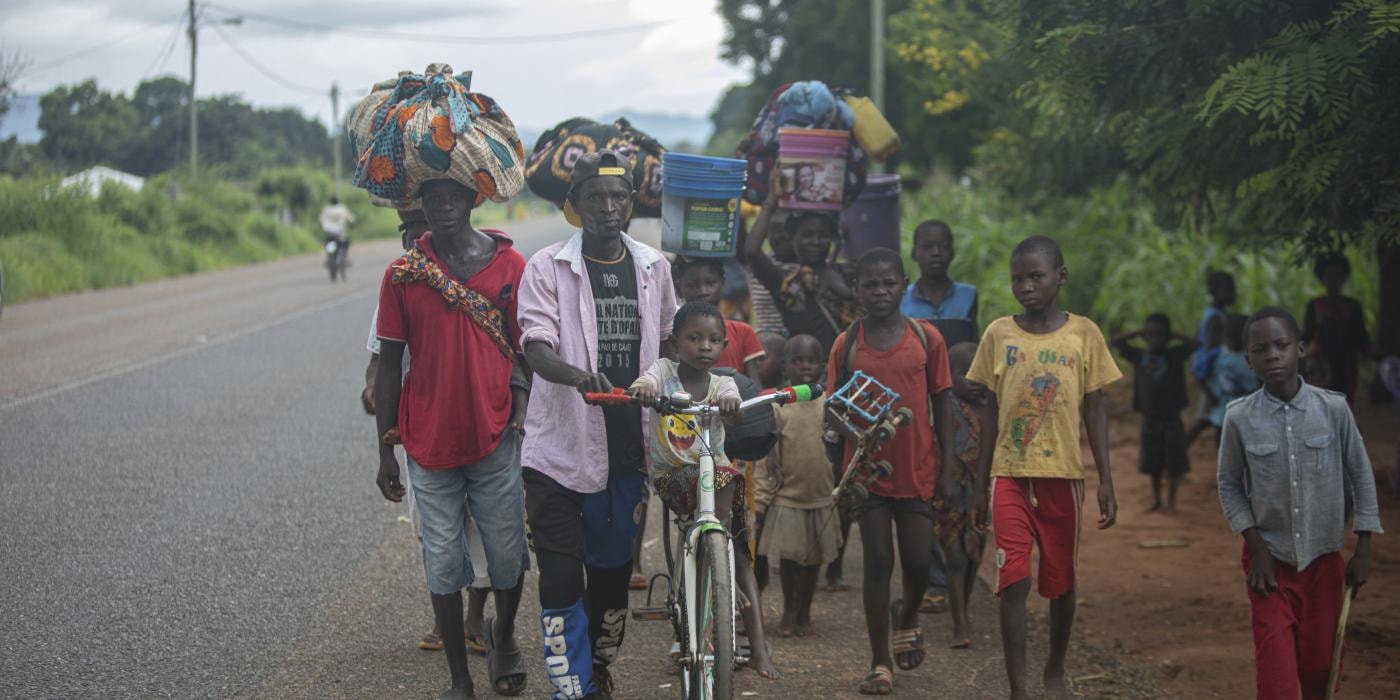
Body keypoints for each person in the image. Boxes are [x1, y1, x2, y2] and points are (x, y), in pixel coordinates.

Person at [516, 150, 677, 699]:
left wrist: (673, 381)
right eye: (594, 199)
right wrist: (578, 377)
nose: (608, 209)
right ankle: (573, 687)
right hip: (557, 451)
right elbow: (535, 348)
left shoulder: (655, 267)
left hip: (626, 453)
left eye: (618, 198)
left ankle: (599, 667)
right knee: (561, 580)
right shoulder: (546, 267)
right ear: (574, 207)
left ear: (631, 203)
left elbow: (669, 340)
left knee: (610, 583)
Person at [373, 178, 531, 699]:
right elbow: (391, 363)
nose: (442, 207)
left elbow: (524, 347)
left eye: (453, 197)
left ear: (473, 201)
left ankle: (503, 637)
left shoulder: (510, 266)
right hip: (427, 442)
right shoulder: (402, 274)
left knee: (507, 557)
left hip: (494, 434)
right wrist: (385, 451)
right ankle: (460, 680)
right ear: (420, 204)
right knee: (443, 561)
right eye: (432, 198)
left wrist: (522, 410)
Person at [967, 235, 1121, 700]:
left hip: (1064, 478)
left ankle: (1055, 668)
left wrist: (1106, 480)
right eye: (1019, 278)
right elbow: (990, 411)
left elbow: (1095, 407)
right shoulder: (999, 333)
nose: (1027, 286)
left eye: (1036, 276)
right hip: (1010, 473)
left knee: (1061, 581)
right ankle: (1018, 687)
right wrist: (979, 484)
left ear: (1060, 277)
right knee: (1013, 579)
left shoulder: (1084, 334)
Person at [1217, 306, 1381, 699]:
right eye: (1261, 349)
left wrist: (1363, 548)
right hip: (1268, 564)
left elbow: (1360, 474)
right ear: (1249, 360)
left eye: (1281, 345)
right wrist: (1256, 548)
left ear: (1301, 349)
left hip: (1324, 561)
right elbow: (1229, 485)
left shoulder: (1334, 409)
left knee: (1319, 668)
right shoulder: (1239, 418)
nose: (1272, 355)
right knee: (1276, 672)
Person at [362, 208, 500, 656]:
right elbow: (381, 362)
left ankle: (475, 619)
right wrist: (377, 407)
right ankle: (448, 622)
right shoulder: (398, 285)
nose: (419, 240)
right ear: (405, 241)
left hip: (481, 424)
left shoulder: (481, 274)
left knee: (482, 526)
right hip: (422, 429)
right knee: (437, 533)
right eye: (411, 234)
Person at [826, 247, 956, 695]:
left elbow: (943, 399)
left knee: (919, 563)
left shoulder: (925, 337)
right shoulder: (847, 343)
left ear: (904, 285)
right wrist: (856, 438)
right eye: (870, 284)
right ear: (857, 290)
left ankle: (907, 615)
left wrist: (951, 468)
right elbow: (832, 408)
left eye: (889, 283)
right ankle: (880, 661)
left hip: (919, 468)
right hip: (867, 474)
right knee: (879, 562)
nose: (880, 291)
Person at [627, 301, 779, 679]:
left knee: (741, 556)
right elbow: (644, 381)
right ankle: (717, 560)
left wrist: (732, 406)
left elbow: (736, 411)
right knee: (716, 486)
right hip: (674, 476)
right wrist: (644, 391)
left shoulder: (723, 383)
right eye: (694, 338)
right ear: (676, 342)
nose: (704, 346)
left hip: (717, 479)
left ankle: (758, 648)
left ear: (724, 344)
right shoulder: (663, 372)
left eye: (713, 340)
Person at [899, 219, 978, 614]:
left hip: (958, 406)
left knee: (959, 486)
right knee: (924, 485)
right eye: (926, 246)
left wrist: (963, 383)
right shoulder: (902, 301)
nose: (935, 253)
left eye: (942, 246)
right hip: (918, 405)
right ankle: (933, 578)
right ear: (914, 252)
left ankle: (961, 571)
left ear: (952, 251)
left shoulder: (968, 296)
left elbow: (971, 351)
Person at [755, 333, 842, 637]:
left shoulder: (829, 402)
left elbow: (838, 441)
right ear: (785, 365)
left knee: (813, 560)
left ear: (822, 365)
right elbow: (771, 446)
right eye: (797, 360)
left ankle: (805, 609)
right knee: (790, 560)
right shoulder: (779, 404)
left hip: (819, 495)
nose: (805, 366)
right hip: (787, 496)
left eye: (811, 360)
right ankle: (790, 610)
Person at [744, 172, 854, 352]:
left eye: (823, 235)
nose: (816, 242)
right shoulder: (787, 283)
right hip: (804, 375)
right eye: (807, 235)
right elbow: (752, 251)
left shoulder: (845, 273)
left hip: (845, 373)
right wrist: (771, 201)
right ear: (792, 237)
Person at [931, 341, 990, 649]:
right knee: (953, 555)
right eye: (965, 373)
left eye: (979, 373)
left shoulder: (992, 408)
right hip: (950, 492)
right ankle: (960, 623)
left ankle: (963, 605)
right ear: (949, 375)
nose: (974, 380)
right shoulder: (943, 408)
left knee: (973, 555)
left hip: (981, 495)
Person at [1111, 312, 1200, 513]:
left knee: (1174, 463)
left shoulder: (1175, 354)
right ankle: (1157, 500)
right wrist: (1139, 332)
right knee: (1153, 463)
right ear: (1145, 336)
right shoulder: (1138, 355)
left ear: (1168, 337)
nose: (1155, 339)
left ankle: (1171, 501)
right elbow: (1115, 342)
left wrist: (1173, 335)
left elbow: (1196, 344)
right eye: (1150, 335)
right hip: (1149, 418)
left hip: (1172, 418)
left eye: (1160, 335)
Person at [674, 256, 767, 384]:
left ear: (723, 284)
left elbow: (753, 387)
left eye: (710, 283)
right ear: (679, 288)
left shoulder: (742, 331)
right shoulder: (672, 333)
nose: (703, 291)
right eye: (692, 285)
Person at [1302, 253, 1371, 401]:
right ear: (1322, 277)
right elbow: (1307, 335)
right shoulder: (1315, 306)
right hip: (1322, 365)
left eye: (1338, 274)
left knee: (1346, 400)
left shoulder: (1353, 306)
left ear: (1344, 276)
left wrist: (1370, 355)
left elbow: (1361, 335)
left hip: (1348, 363)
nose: (1334, 279)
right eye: (1329, 274)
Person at [1187, 270, 1235, 445]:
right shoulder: (1216, 317)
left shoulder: (1215, 314)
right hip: (1213, 377)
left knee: (1210, 419)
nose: (1233, 294)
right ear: (1215, 291)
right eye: (1229, 289)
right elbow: (1213, 349)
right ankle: (1173, 459)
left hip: (1212, 376)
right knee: (1209, 419)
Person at [1207, 313, 1257, 432]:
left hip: (1245, 411)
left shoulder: (1251, 356)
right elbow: (1200, 373)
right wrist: (1211, 395)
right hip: (1224, 410)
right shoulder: (1217, 354)